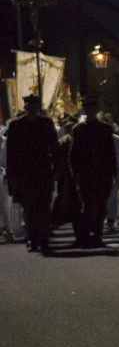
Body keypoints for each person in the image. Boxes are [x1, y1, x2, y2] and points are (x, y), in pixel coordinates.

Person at [4, 95, 59, 254]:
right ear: (26, 108)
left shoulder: (46, 124)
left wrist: (58, 169)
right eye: (30, 107)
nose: (32, 110)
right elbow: (11, 153)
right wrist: (12, 174)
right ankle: (33, 237)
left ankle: (43, 239)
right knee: (29, 208)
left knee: (43, 207)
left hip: (42, 171)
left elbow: (54, 148)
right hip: (25, 173)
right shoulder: (16, 126)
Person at [68, 95, 118, 247]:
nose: (90, 111)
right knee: (89, 204)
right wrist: (75, 172)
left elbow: (110, 152)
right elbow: (74, 154)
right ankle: (87, 233)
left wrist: (113, 172)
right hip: (87, 173)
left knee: (101, 204)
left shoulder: (105, 129)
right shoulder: (79, 130)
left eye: (92, 108)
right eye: (88, 108)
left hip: (102, 172)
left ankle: (97, 234)